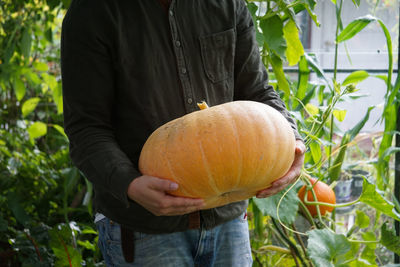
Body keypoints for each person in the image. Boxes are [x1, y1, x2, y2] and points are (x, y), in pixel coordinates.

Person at [61, 0, 306, 266]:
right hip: (145, 228)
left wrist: (292, 140)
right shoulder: (92, 13)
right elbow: (86, 128)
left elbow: (257, 92)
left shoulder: (228, 5)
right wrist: (129, 184)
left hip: (229, 220)